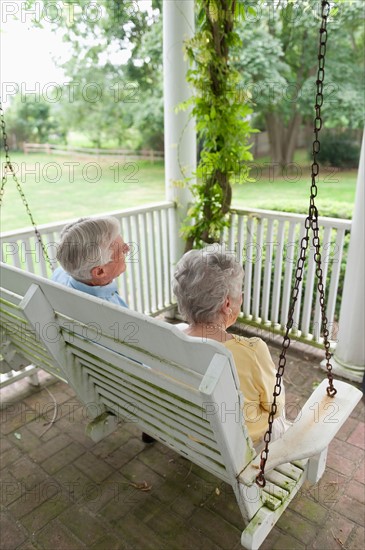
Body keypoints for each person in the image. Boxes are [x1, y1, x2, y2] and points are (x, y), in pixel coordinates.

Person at [172, 246, 290, 449]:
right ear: (227, 304)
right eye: (240, 293)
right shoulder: (251, 351)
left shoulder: (169, 338)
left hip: (194, 436)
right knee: (282, 424)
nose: (241, 298)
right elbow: (275, 408)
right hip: (241, 446)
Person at [52, 216, 155, 444]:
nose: (128, 248)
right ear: (99, 272)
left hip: (96, 373)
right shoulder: (110, 319)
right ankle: (153, 422)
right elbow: (139, 368)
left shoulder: (61, 277)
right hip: (125, 387)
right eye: (120, 248)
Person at [52, 216, 129, 307]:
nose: (128, 249)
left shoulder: (60, 274)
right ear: (100, 272)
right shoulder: (112, 310)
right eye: (122, 250)